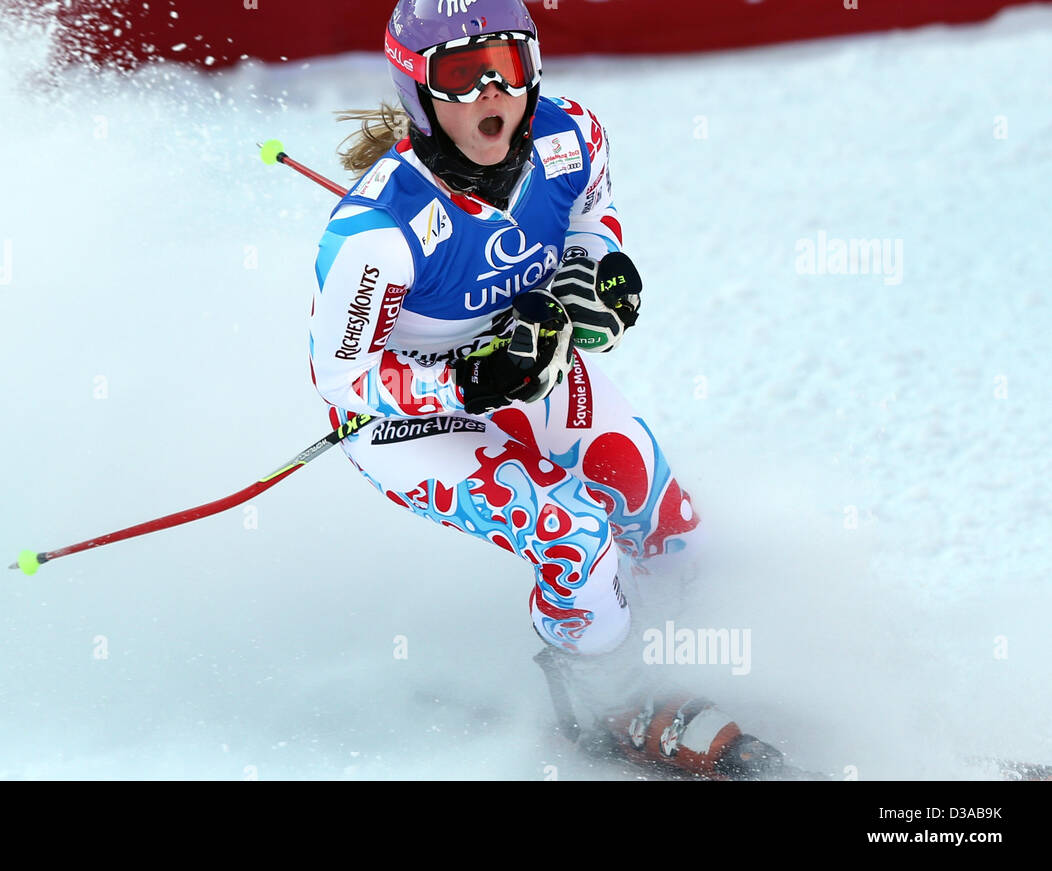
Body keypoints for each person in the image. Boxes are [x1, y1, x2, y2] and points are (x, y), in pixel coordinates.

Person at [309, 0, 787, 779]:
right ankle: (608, 698)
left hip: (538, 359)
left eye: (509, 64)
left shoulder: (572, 137)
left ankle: (675, 667)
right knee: (574, 533)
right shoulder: (375, 231)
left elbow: (593, 220)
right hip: (409, 421)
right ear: (418, 92)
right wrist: (463, 379)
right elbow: (341, 375)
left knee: (665, 520)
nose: (492, 91)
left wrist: (597, 272)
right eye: (462, 75)